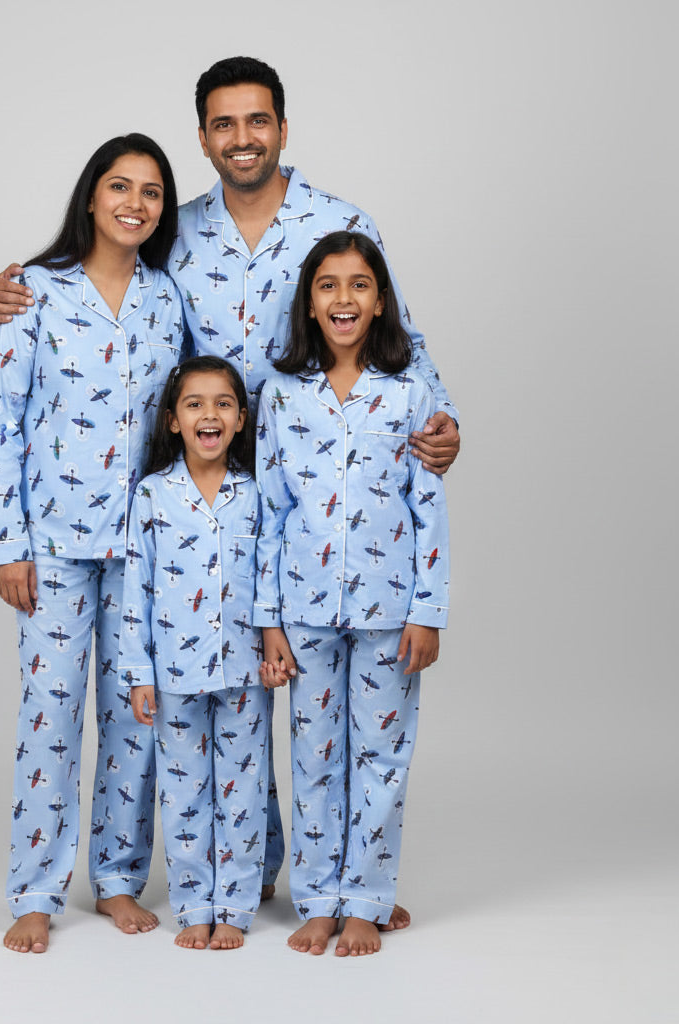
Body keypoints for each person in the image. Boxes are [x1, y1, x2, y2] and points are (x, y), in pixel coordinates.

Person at [0, 57, 460, 914]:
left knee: (258, 700)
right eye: (224, 124)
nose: (243, 138)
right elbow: (53, 351)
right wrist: (6, 288)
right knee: (158, 701)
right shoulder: (175, 241)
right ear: (203, 137)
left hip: (283, 500)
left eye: (258, 121)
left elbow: (402, 343)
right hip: (162, 505)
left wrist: (442, 423)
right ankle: (63, 888)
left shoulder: (341, 224)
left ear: (282, 125)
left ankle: (321, 879)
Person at [0, 133, 186, 953]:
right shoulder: (32, 293)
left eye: (151, 192)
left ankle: (116, 878)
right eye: (119, 187)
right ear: (91, 196)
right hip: (55, 543)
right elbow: (4, 421)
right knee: (53, 711)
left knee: (136, 712)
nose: (135, 203)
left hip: (144, 546)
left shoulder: (168, 300)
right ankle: (36, 890)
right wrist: (7, 543)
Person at [254, 231, 450, 957]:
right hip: (303, 610)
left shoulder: (409, 394)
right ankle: (319, 898)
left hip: (388, 610)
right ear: (308, 303)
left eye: (359, 285)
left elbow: (428, 508)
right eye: (328, 285)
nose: (344, 299)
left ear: (380, 301)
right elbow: (269, 511)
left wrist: (428, 611)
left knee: (381, 757)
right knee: (313, 756)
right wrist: (267, 618)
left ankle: (365, 899)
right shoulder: (281, 395)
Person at [120, 356, 286, 949]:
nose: (208, 414)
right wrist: (139, 672)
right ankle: (194, 905)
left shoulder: (257, 495)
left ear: (242, 419)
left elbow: (272, 574)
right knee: (185, 792)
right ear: (172, 421)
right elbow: (135, 589)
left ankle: (235, 909)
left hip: (245, 670)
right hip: (173, 673)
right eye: (194, 404)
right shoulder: (152, 497)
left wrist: (275, 641)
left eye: (222, 403)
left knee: (241, 792)